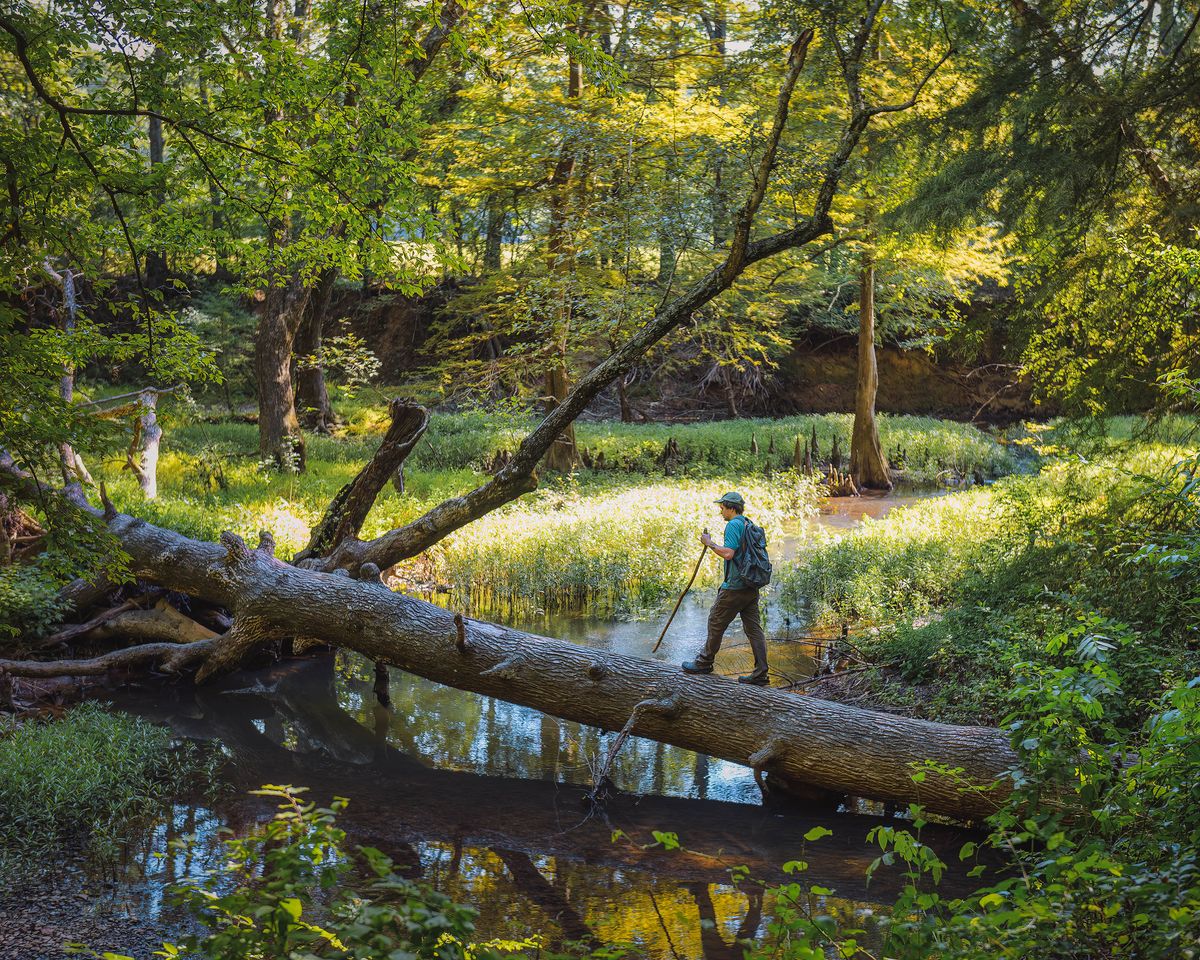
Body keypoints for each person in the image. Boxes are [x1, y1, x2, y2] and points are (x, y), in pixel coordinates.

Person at [681, 491, 770, 685]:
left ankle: (704, 662)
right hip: (750, 586)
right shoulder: (748, 523)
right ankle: (761, 673)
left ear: (731, 507)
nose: (721, 510)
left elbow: (729, 554)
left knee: (715, 621)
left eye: (722, 507)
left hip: (735, 587)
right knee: (754, 629)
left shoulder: (733, 525)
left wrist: (709, 543)